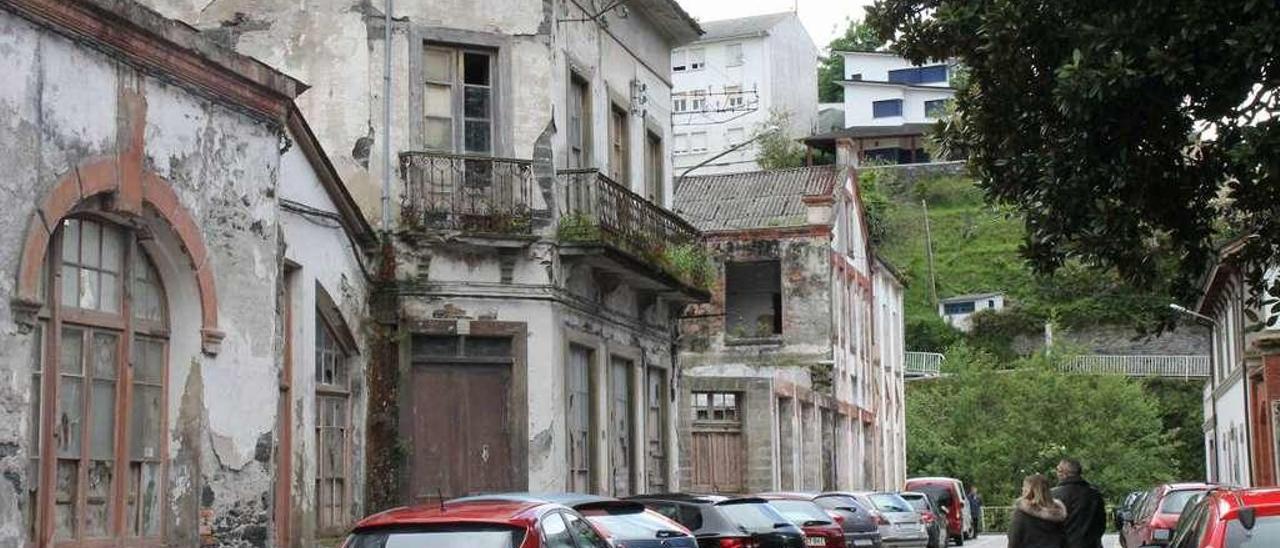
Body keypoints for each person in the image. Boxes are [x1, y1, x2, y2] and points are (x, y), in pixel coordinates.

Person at [1051, 458, 1107, 548]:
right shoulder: (1095, 495)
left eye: (1058, 470)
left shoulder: (1054, 495)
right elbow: (1101, 523)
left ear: (1063, 473)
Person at [1007, 474, 1068, 548]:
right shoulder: (1057, 513)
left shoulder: (1022, 513)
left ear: (1030, 490)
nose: (1022, 489)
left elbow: (1014, 540)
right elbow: (1064, 539)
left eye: (1024, 486)